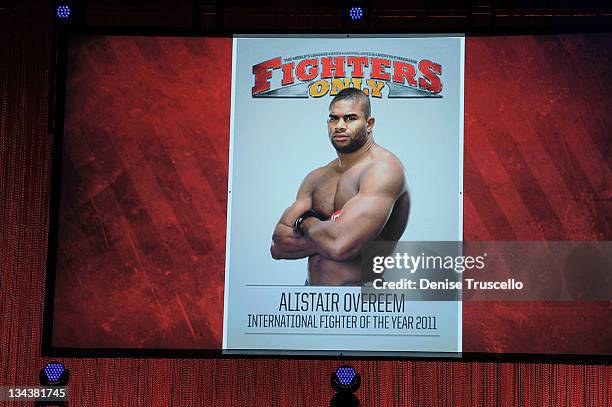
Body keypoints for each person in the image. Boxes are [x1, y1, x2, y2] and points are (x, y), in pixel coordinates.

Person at [270, 88, 410, 285]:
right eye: (334, 119)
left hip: (363, 299)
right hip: (314, 299)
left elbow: (340, 246)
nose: (340, 126)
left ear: (369, 124)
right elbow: (278, 246)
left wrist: (305, 221)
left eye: (350, 118)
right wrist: (330, 231)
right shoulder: (317, 177)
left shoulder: (383, 170)